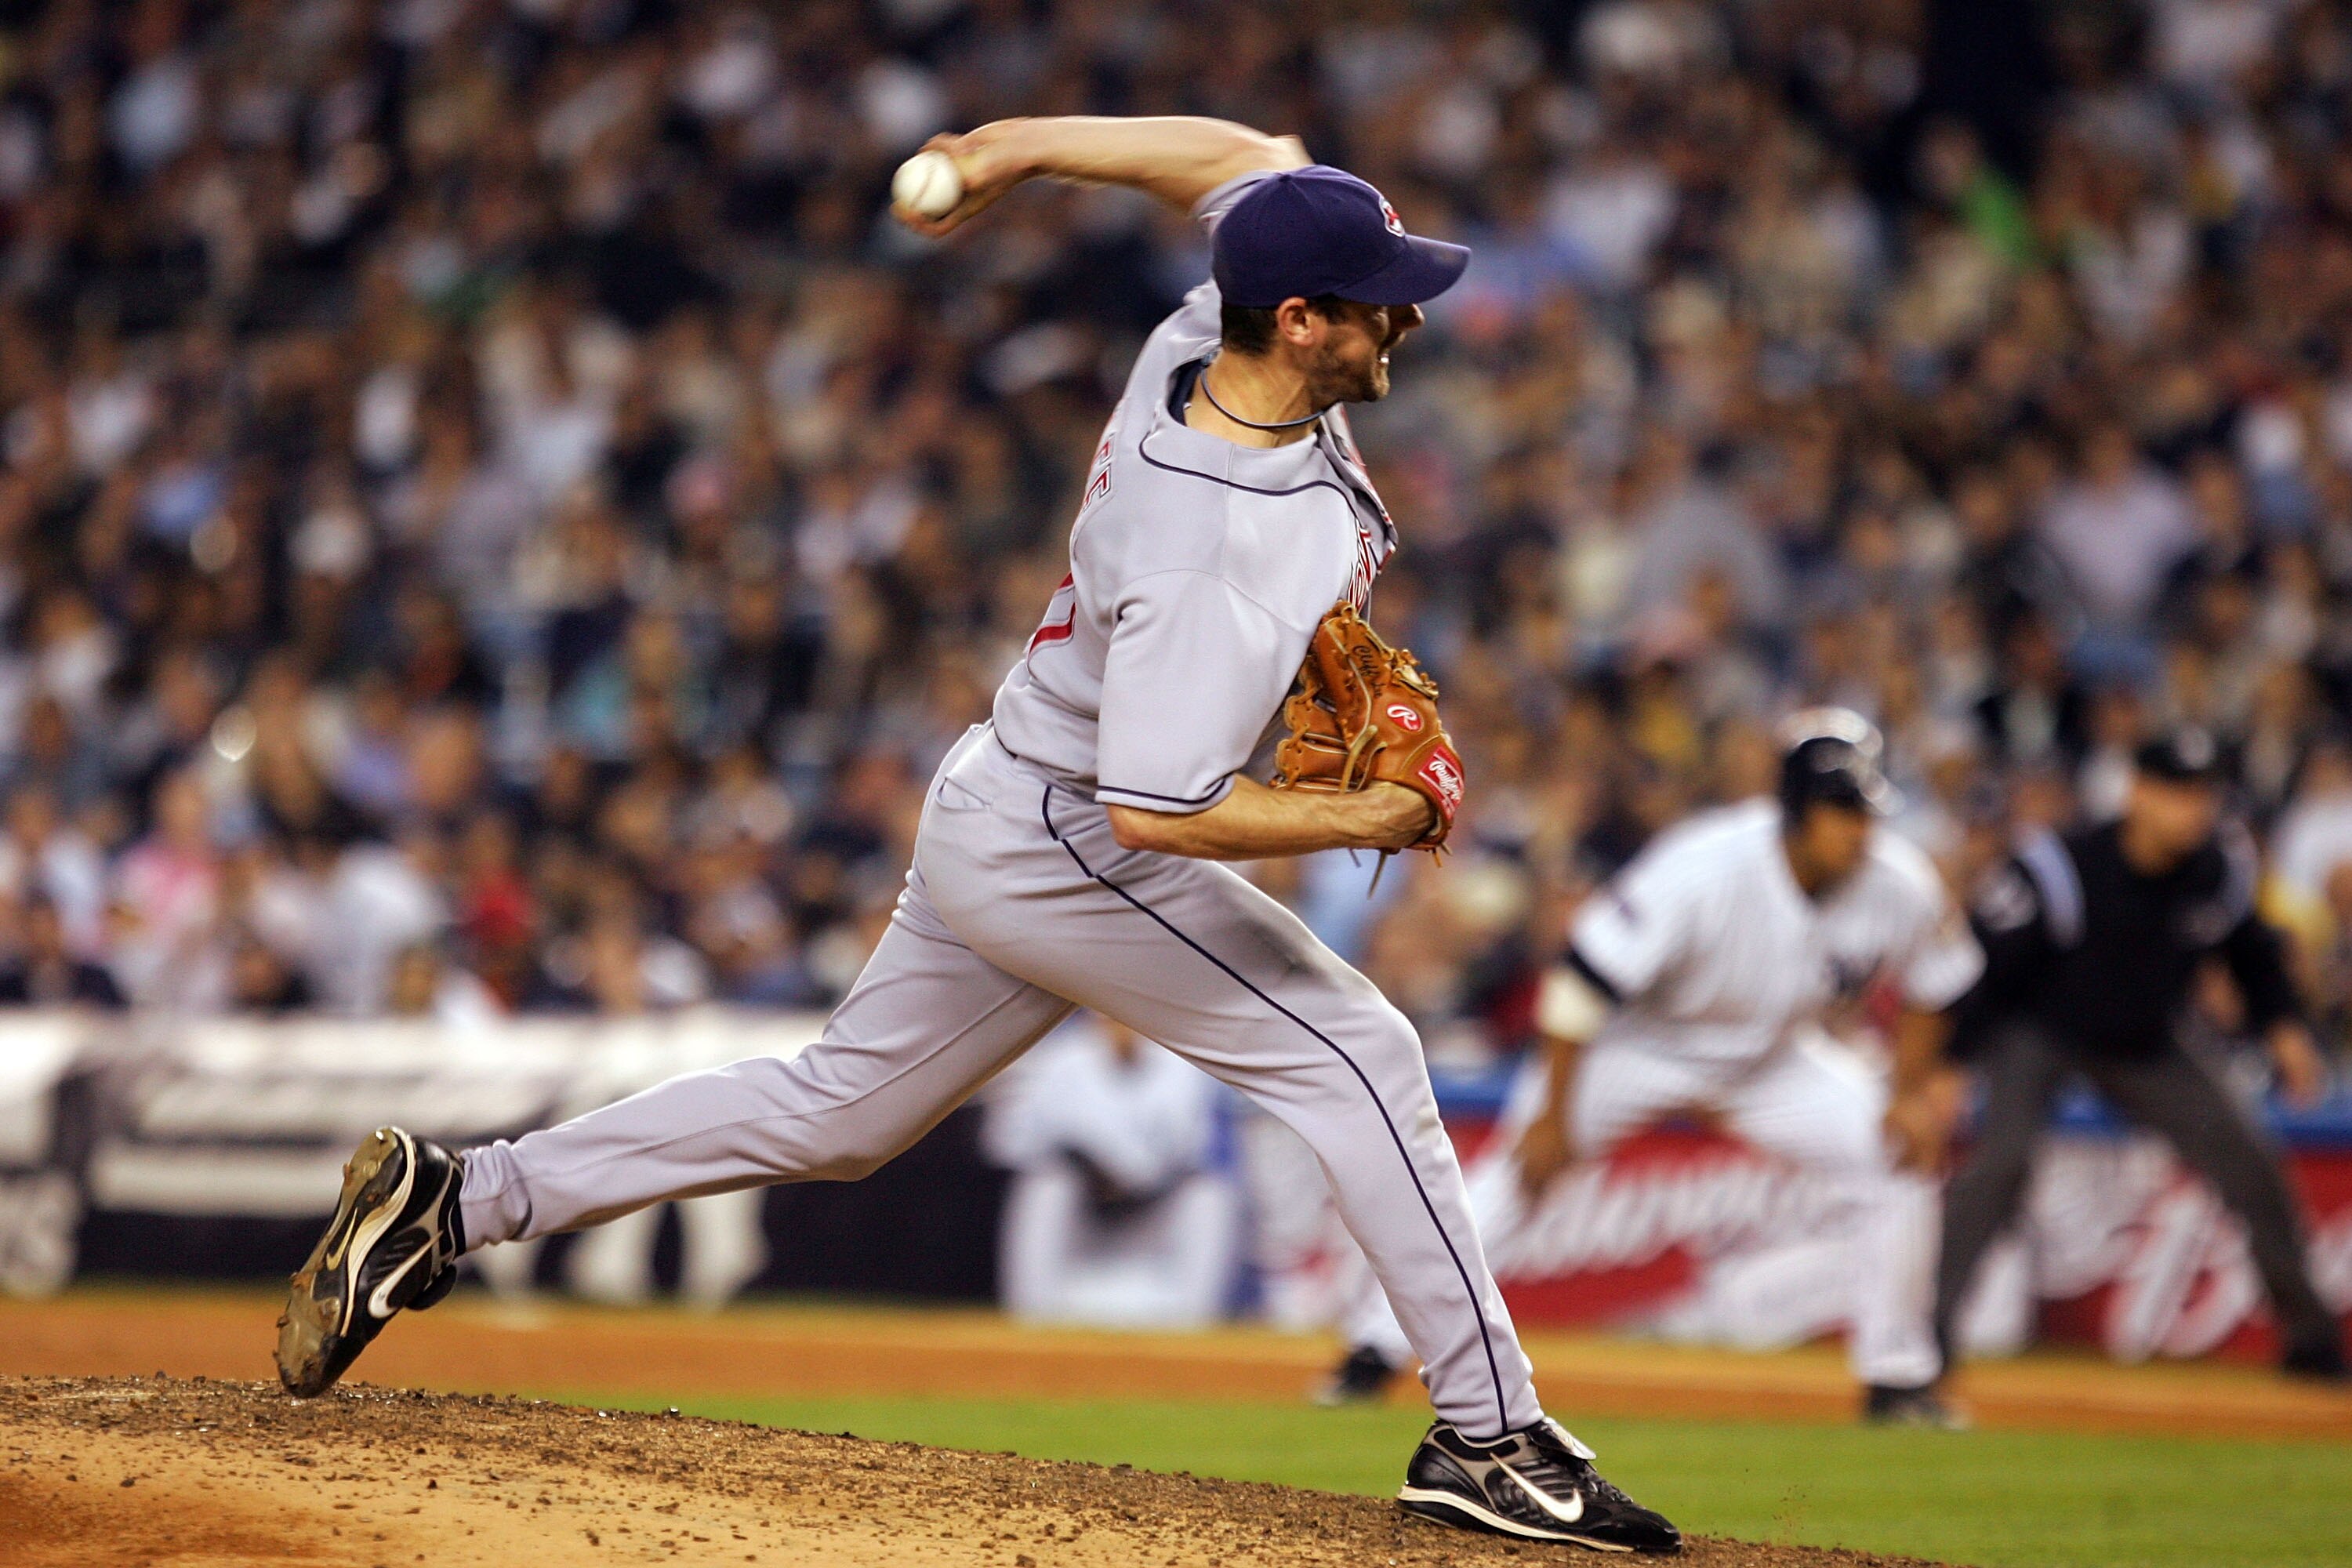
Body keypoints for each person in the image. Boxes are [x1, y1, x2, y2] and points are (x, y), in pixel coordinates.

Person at [273, 114, 1679, 1553]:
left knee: (841, 1113)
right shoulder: (1221, 547)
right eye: (1379, 295)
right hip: (1078, 834)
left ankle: (461, 1199)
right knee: (1362, 1055)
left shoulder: (1205, 335)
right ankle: (1491, 1438)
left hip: (1006, 790)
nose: (1410, 311)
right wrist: (1372, 809)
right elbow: (1159, 807)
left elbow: (1244, 155)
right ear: (1303, 321)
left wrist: (1012, 147)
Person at [1323, 711, 1985, 1426]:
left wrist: (1908, 1094)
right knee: (1519, 1179)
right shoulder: (1706, 866)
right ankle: (1372, 1351)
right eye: (1842, 812)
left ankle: (1897, 1381)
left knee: (1898, 1155)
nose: (1860, 830)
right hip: (1641, 1045)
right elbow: (1579, 982)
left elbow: (1936, 985)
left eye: (1866, 813)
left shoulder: (1896, 882)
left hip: (1773, 1060)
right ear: (1797, 813)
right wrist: (1552, 1118)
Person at [1934, 728, 2348, 1383]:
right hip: (2039, 1030)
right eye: (2178, 793)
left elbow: (2253, 956)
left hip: (2150, 1038)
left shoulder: (2220, 867)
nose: (2194, 809)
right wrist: (1953, 1063)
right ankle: (1928, 1331)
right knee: (2001, 1164)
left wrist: (2284, 1029)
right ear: (2138, 793)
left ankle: (2310, 1339)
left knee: (2251, 1160)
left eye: (2204, 795)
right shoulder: (2061, 864)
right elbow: (1990, 969)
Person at [984, 1014, 1240, 1329]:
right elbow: (1007, 1146)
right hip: (1084, 1214)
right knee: (1045, 1188)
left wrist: (1131, 1180)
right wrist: (1081, 1164)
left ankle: (1197, 1327)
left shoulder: (1184, 1065)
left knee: (1208, 1195)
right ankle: (1032, 1324)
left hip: (1153, 1215)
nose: (1121, 1021)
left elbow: (1197, 1153)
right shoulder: (1058, 1056)